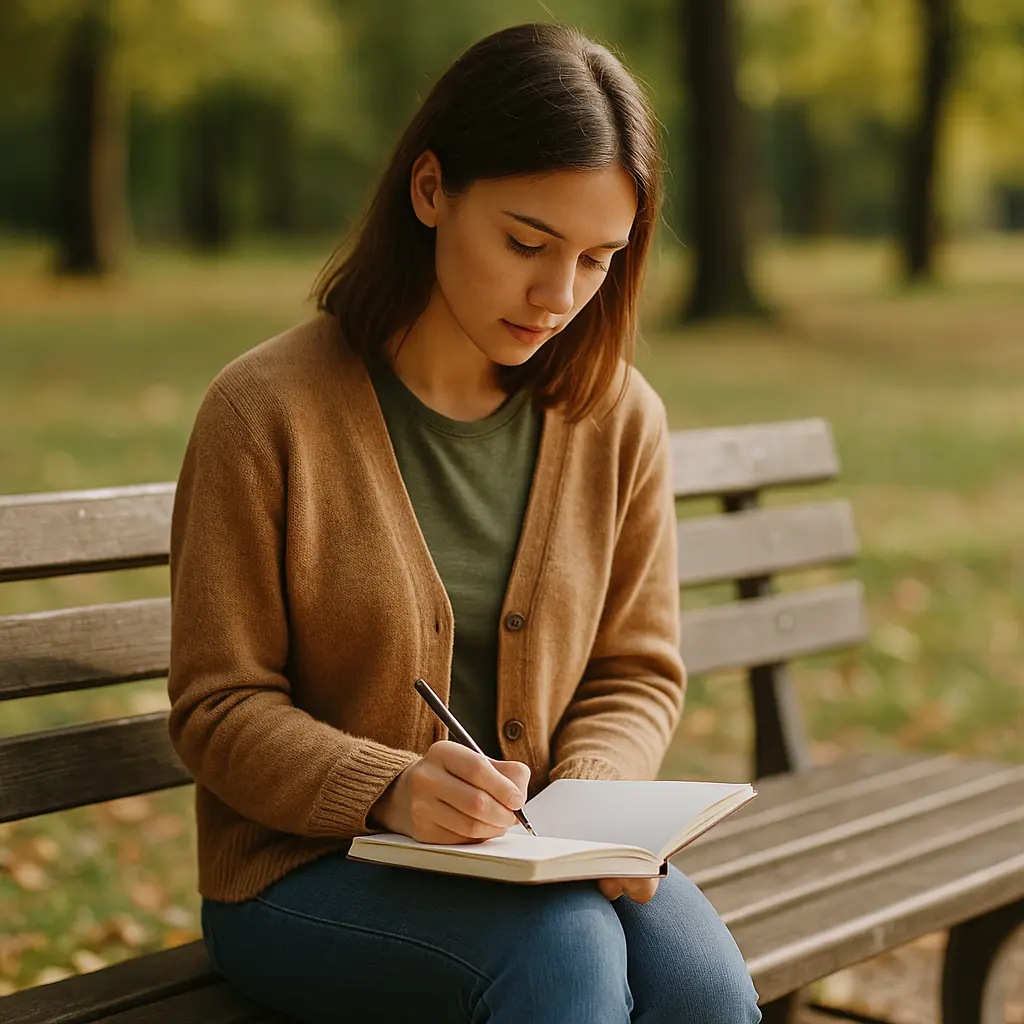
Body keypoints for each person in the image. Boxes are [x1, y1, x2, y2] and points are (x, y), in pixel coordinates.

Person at [167, 20, 761, 1024]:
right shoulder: (264, 413)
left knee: (700, 983)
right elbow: (217, 707)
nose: (558, 295)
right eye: (527, 243)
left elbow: (635, 669)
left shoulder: (617, 417)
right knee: (562, 955)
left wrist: (586, 805)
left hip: (542, 863)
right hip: (305, 870)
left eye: (597, 259)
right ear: (431, 189)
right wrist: (392, 787)